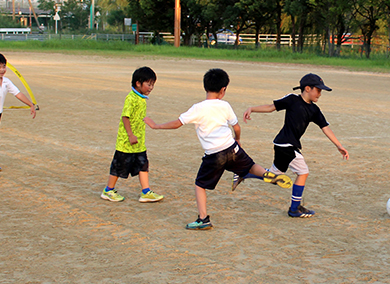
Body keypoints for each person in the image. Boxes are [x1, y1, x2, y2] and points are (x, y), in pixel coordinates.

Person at [146, 68, 291, 230]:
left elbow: (177, 123)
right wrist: (238, 140)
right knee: (250, 166)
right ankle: (267, 173)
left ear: (205, 87)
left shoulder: (198, 108)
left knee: (200, 185)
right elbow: (236, 127)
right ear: (223, 90)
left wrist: (156, 125)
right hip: (232, 147)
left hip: (214, 155)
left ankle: (203, 219)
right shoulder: (225, 105)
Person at [240, 73, 349, 218]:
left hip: (285, 145)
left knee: (274, 177)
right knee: (303, 172)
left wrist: (338, 145)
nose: (320, 94)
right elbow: (272, 107)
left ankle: (244, 174)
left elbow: (325, 127)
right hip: (286, 144)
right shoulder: (292, 99)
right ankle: (294, 209)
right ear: (308, 88)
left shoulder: (314, 110)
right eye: (318, 90)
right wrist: (252, 108)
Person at [101, 66, 164, 203]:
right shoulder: (131, 98)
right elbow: (125, 117)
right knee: (118, 167)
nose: (151, 87)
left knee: (143, 164)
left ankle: (146, 191)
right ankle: (108, 190)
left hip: (139, 142)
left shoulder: (141, 99)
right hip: (126, 143)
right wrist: (130, 135)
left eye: (152, 84)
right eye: (149, 84)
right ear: (138, 83)